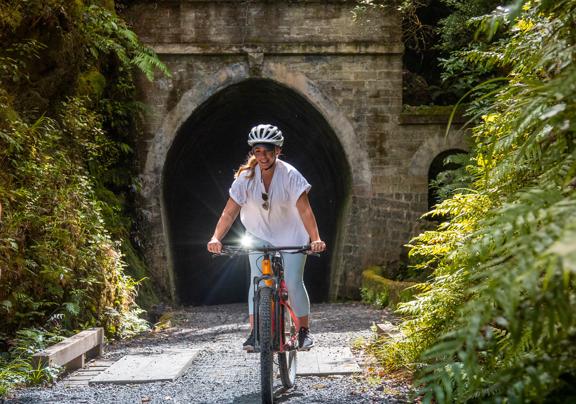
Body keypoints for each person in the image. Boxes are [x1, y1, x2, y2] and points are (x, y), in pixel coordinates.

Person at [207, 124, 326, 351]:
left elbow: (305, 210)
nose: (262, 156)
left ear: (277, 151)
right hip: (258, 234)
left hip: (291, 234)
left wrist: (315, 238)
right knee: (258, 281)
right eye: (257, 151)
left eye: (267, 151)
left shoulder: (290, 175)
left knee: (292, 282)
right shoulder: (245, 178)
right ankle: (255, 333)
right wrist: (215, 237)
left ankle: (303, 331)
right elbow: (229, 211)